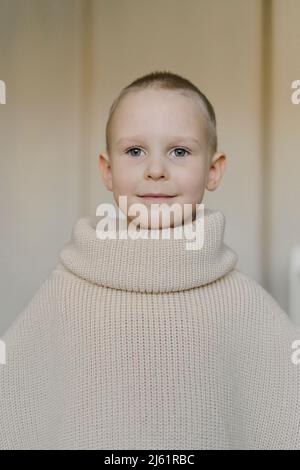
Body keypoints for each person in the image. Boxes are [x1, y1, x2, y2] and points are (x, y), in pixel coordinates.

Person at [1, 70, 300, 449]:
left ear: (213, 170)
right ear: (107, 171)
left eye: (179, 151)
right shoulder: (65, 294)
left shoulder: (241, 302)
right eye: (134, 151)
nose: (155, 170)